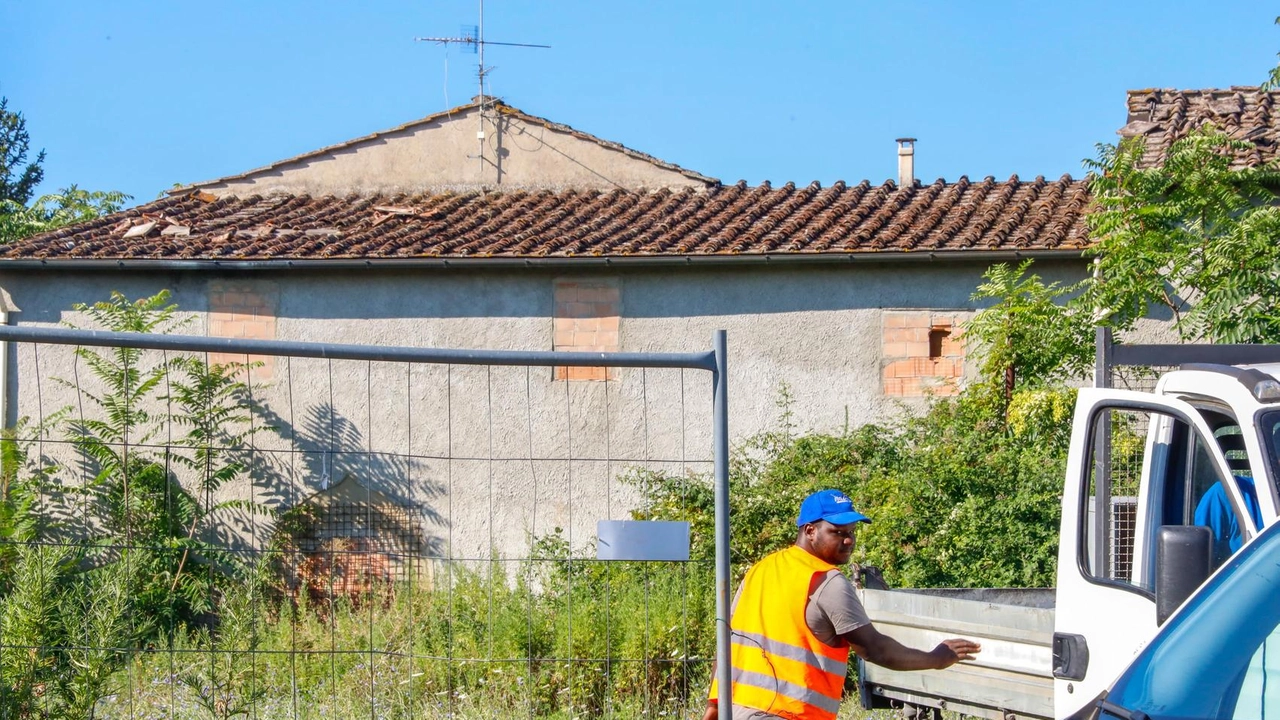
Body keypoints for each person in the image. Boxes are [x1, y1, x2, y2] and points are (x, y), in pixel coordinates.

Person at [704, 489, 981, 720]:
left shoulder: (761, 569)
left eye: (852, 531)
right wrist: (936, 658)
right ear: (810, 530)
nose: (849, 540)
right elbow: (874, 649)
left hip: (739, 709)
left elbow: (725, 640)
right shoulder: (826, 581)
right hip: (787, 713)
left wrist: (715, 704)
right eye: (837, 532)